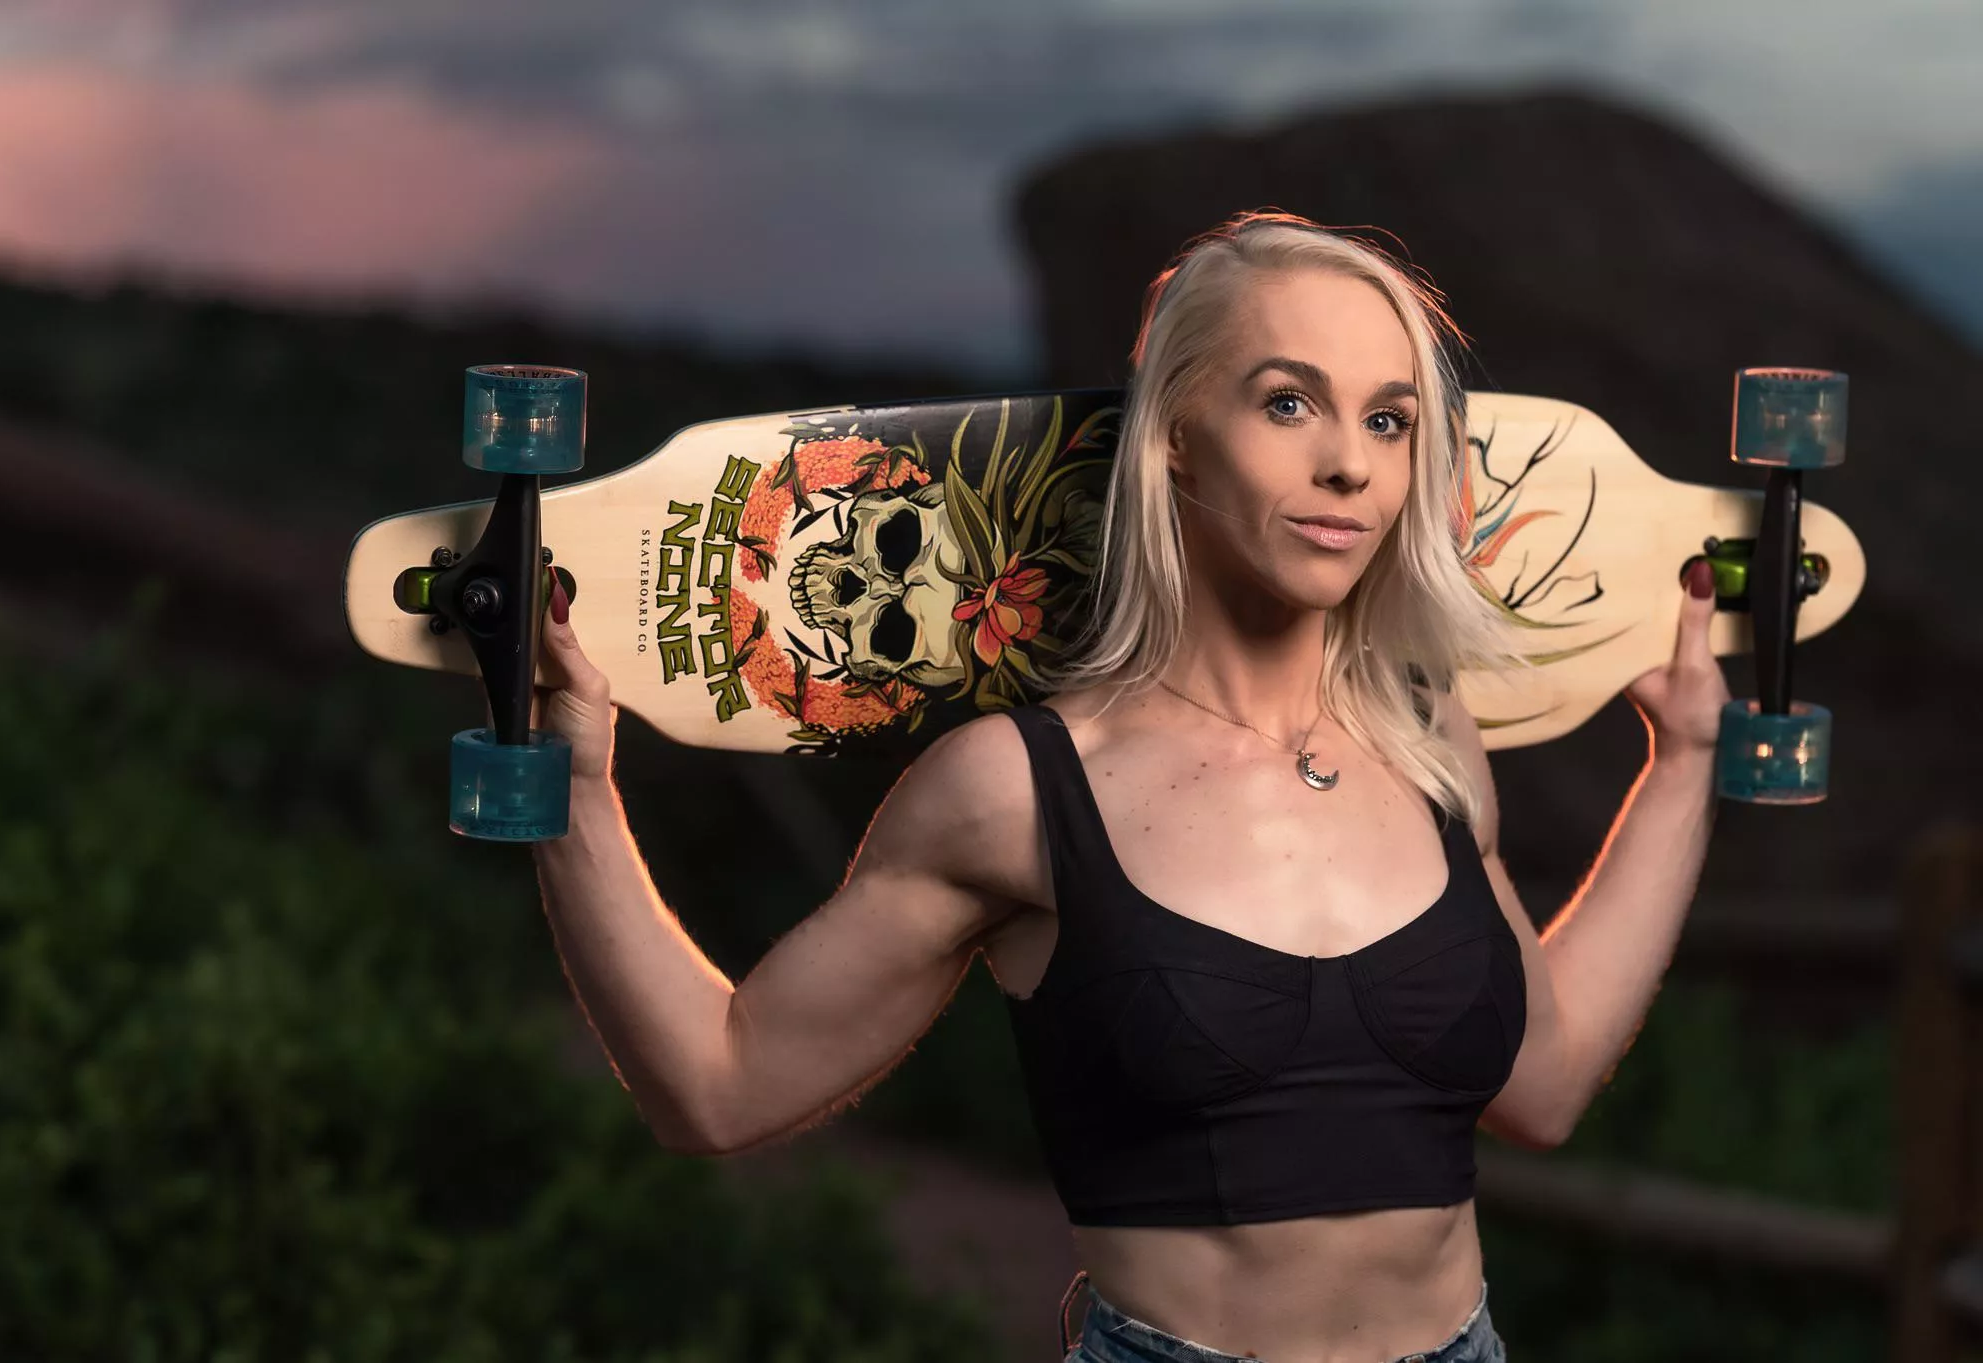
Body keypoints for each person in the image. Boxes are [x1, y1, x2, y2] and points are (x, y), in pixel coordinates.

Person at [519, 211, 1728, 1362]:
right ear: (1172, 434)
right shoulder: (1021, 791)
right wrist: (577, 786)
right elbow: (717, 1088)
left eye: (1390, 419)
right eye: (1288, 402)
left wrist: (1678, 769)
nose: (1347, 464)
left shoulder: (1430, 746)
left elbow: (1545, 1079)